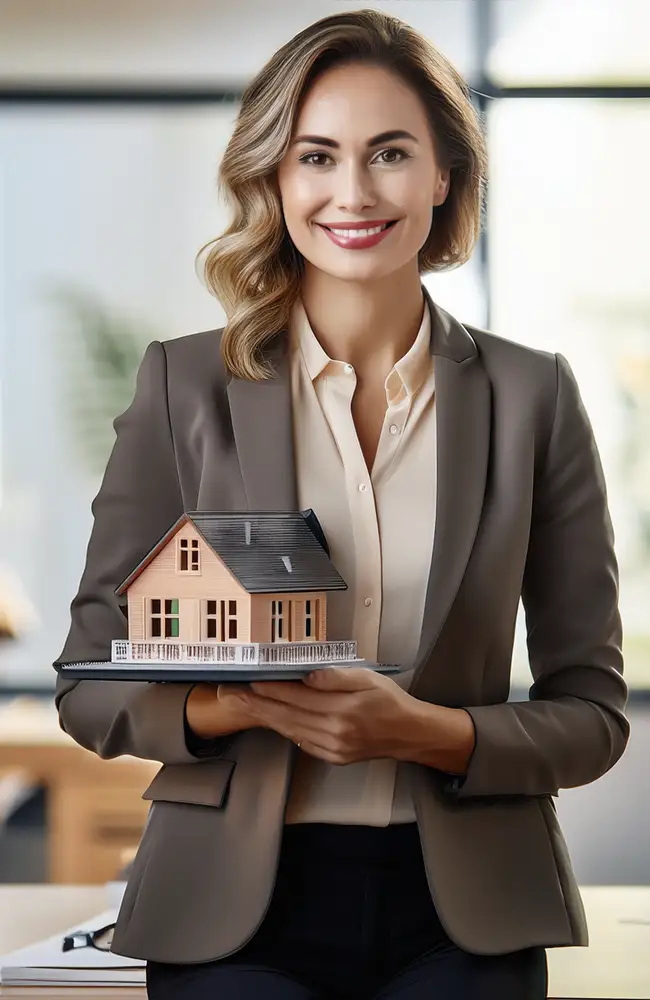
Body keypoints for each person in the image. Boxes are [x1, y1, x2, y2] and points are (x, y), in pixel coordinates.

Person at [54, 9, 630, 1000]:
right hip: (233, 909)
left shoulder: (534, 395)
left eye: (389, 153)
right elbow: (87, 681)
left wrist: (422, 731)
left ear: (445, 174)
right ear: (273, 178)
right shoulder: (181, 387)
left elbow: (590, 712)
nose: (351, 191)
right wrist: (229, 707)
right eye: (315, 155)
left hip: (465, 907)